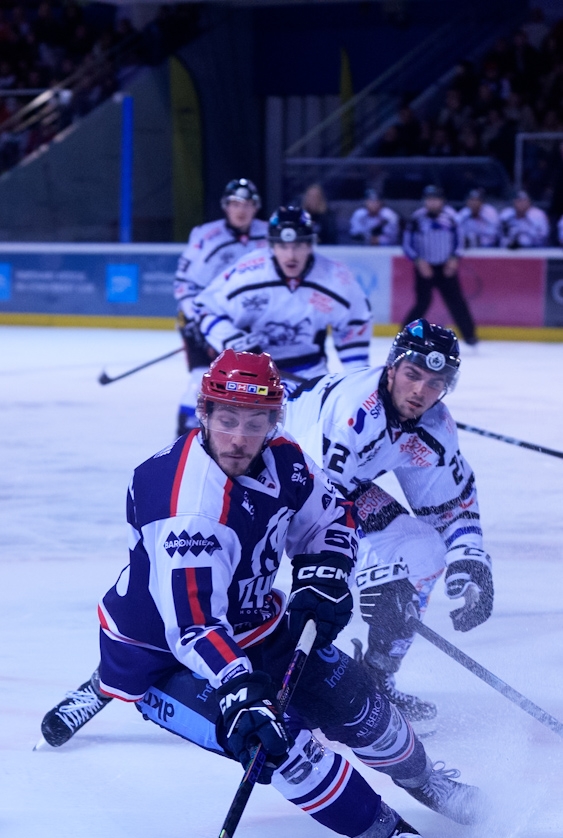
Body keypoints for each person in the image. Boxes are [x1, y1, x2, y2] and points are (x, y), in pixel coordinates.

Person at [39, 351, 485, 838]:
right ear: (204, 414)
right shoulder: (187, 507)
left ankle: (426, 780)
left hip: (253, 619)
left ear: (275, 421)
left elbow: (329, 517)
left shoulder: (284, 459)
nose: (239, 438)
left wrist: (323, 574)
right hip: (166, 652)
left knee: (367, 713)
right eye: (226, 420)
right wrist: (241, 693)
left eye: (255, 423)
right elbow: (196, 629)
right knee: (283, 751)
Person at [284, 319, 493, 722]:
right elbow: (311, 510)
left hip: (336, 487)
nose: (420, 391)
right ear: (392, 367)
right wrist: (371, 575)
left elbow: (450, 507)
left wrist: (469, 559)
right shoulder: (354, 415)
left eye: (435, 383)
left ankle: (376, 678)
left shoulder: (434, 427)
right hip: (273, 481)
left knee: (422, 553)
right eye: (413, 375)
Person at [192, 205, 372, 380]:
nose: (291, 255)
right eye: (282, 246)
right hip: (250, 373)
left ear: (311, 245)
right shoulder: (247, 273)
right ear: (271, 246)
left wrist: (355, 380)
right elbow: (205, 307)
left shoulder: (336, 278)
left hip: (310, 373)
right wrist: (232, 339)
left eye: (299, 245)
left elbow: (355, 323)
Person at [173, 178, 268, 435]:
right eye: (236, 203)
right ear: (226, 206)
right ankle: (186, 437)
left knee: (249, 383)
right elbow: (183, 285)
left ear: (256, 207)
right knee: (201, 379)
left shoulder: (269, 234)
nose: (242, 210)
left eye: (247, 204)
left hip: (246, 324)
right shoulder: (206, 237)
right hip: (205, 320)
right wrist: (195, 320)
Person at [403, 185, 478, 346]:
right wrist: (419, 261)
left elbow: (460, 241)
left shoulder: (451, 217)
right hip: (424, 268)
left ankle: (470, 336)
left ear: (442, 201)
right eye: (429, 200)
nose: (432, 203)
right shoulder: (417, 219)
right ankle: (405, 333)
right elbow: (407, 244)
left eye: (436, 200)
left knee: (456, 301)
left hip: (446, 267)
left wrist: (453, 259)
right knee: (423, 302)